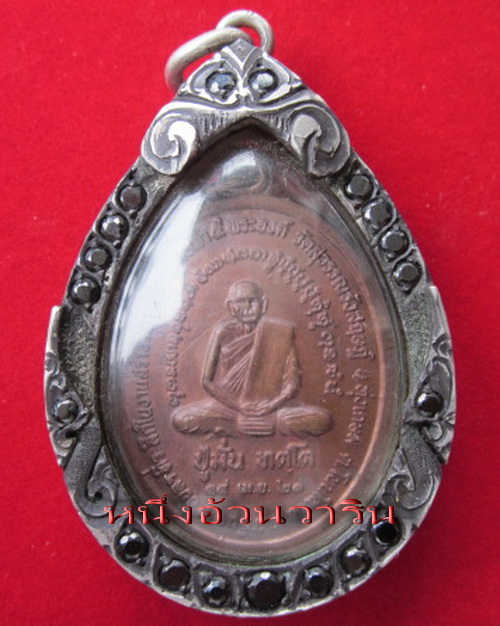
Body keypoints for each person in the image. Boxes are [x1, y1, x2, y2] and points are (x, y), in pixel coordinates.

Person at [172, 279, 333, 437]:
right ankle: (247, 424)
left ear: (264, 304)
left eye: (252, 300)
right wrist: (239, 406)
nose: (247, 307)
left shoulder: (279, 332)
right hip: (229, 407)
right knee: (183, 419)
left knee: (321, 420)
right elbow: (207, 381)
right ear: (230, 306)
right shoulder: (223, 332)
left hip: (272, 407)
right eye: (240, 301)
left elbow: (292, 383)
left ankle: (243, 426)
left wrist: (270, 406)